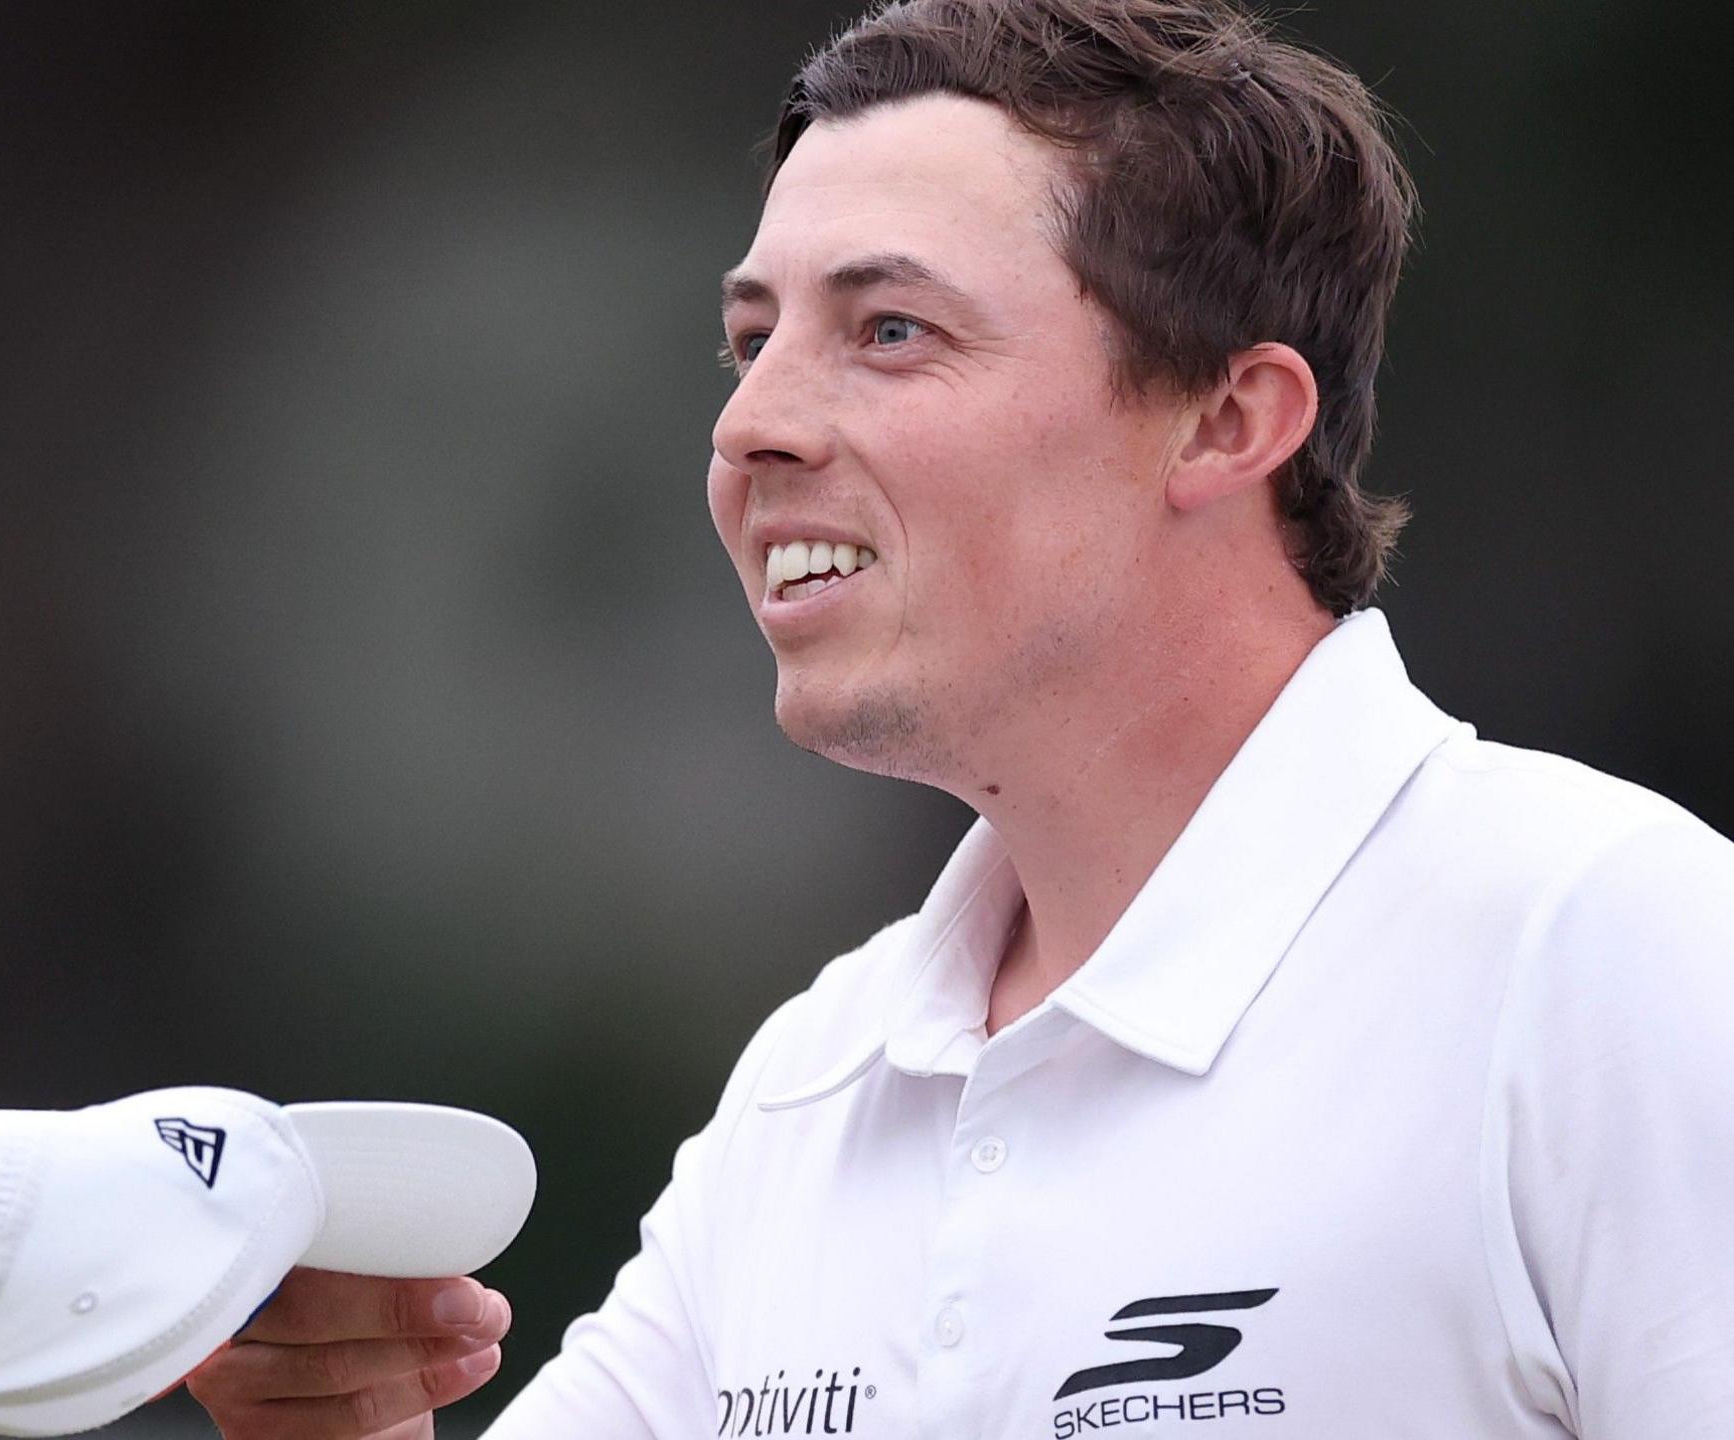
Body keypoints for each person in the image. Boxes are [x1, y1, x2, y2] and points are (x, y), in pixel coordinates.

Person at [185, 0, 1734, 1435]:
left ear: (1229, 419)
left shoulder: (1608, 953)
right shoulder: (816, 1082)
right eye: (749, 341)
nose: (748, 427)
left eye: (889, 332)